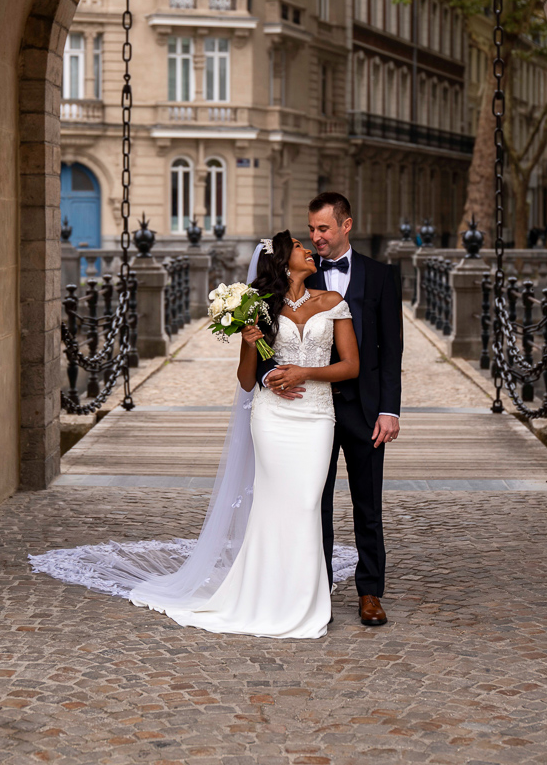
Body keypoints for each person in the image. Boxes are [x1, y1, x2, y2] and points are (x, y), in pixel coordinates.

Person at [29, 232, 359, 641]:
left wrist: (304, 372)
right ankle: (268, 597)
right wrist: (250, 345)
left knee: (307, 503)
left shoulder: (332, 302)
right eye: (298, 245)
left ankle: (304, 600)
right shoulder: (259, 307)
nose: (308, 249)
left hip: (316, 416)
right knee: (273, 505)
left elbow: (350, 366)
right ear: (282, 260)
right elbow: (246, 380)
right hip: (273, 418)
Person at [258, 193, 402, 626]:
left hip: (364, 408)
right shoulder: (295, 271)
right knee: (312, 504)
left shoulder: (381, 276)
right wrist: (270, 374)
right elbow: (264, 335)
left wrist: (390, 410)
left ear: (346, 225)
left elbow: (391, 348)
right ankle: (315, 589)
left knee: (367, 504)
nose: (316, 237)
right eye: (312, 229)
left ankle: (370, 592)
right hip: (307, 411)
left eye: (323, 228)